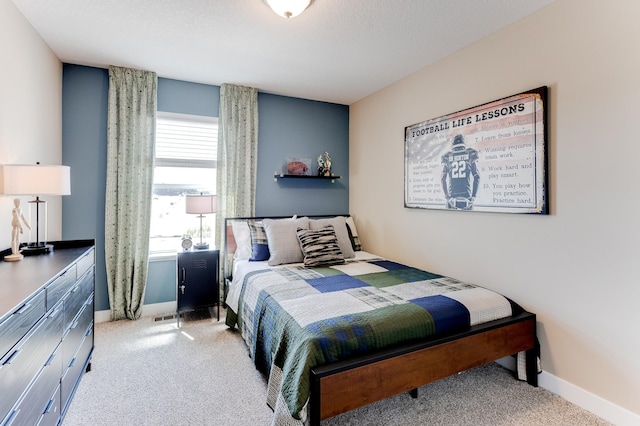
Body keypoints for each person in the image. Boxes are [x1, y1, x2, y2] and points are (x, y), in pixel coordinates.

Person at [440, 134, 480, 210]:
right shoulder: (470, 153)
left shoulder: (447, 156)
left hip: (452, 196)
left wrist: (447, 196)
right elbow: (477, 176)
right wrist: (473, 196)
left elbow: (442, 178)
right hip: (466, 196)